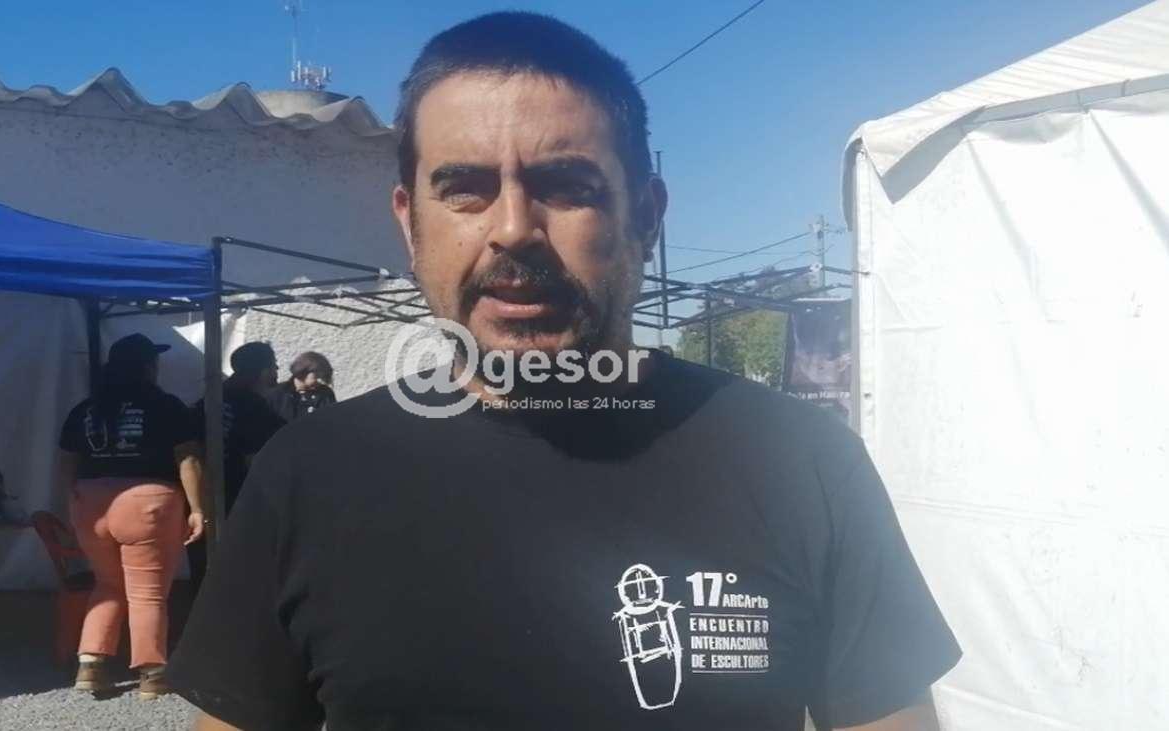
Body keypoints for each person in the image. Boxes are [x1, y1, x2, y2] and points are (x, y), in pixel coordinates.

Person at [170, 13, 960, 731]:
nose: (514, 228)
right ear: (410, 223)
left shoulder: (801, 461)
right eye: (466, 188)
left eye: (565, 186)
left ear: (645, 215)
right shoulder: (308, 476)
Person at [56, 333, 204, 700]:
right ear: (148, 366)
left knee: (107, 584)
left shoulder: (87, 408)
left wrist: (73, 498)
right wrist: (198, 508)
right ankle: (152, 673)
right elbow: (187, 458)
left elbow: (67, 460)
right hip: (147, 501)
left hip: (91, 503)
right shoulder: (165, 405)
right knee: (147, 593)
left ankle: (90, 664)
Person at [188, 342, 287, 591]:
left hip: (202, 495)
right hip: (237, 496)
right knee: (241, 571)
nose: (277, 372)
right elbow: (263, 455)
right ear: (263, 371)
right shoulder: (253, 406)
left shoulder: (208, 400)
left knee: (206, 572)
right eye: (274, 366)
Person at [267, 351, 337, 422]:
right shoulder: (278, 394)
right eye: (317, 376)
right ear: (302, 371)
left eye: (323, 377)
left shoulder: (326, 394)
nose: (321, 381)